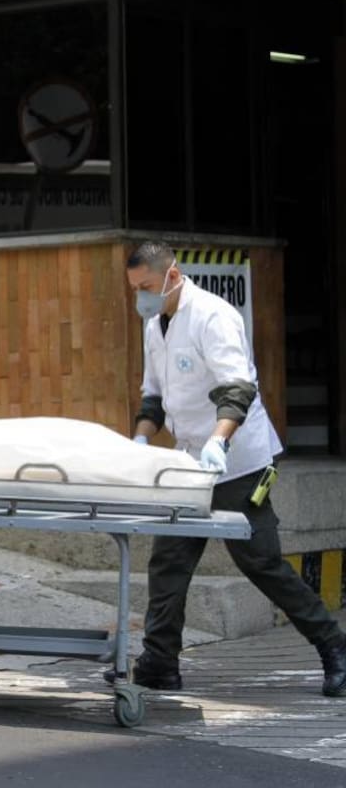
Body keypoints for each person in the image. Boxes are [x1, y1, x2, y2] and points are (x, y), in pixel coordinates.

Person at [121, 240, 346, 696]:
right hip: (188, 463)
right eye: (134, 289)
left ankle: (334, 646)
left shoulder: (213, 315)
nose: (140, 297)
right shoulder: (155, 327)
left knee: (261, 563)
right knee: (169, 560)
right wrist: (142, 438)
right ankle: (160, 661)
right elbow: (153, 398)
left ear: (172, 274)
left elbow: (237, 388)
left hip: (236, 461)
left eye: (146, 286)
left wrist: (218, 442)